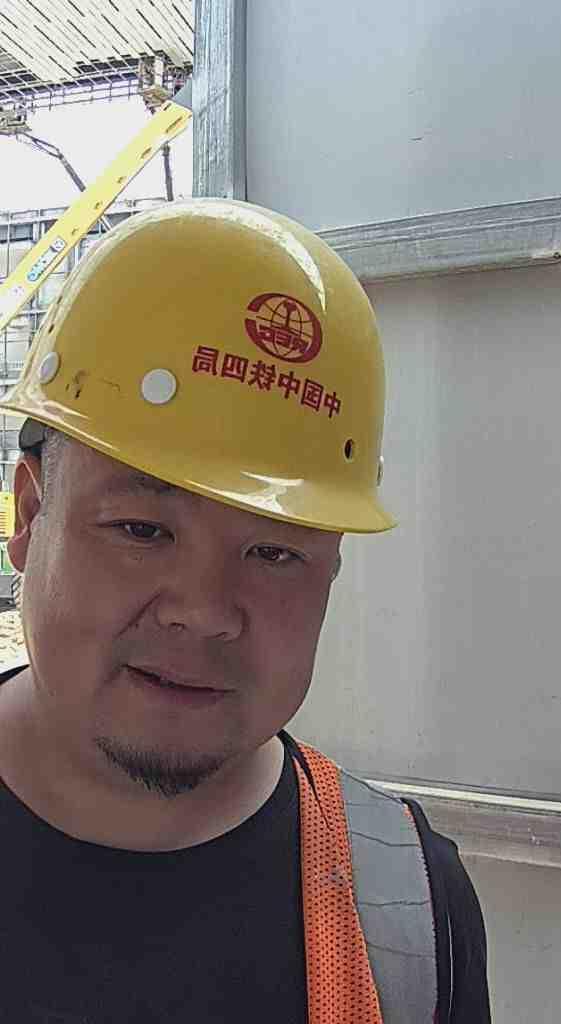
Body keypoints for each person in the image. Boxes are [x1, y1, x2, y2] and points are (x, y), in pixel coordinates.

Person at [0, 199, 491, 1023]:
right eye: (142, 529)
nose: (203, 612)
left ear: (331, 569)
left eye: (274, 552)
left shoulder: (404, 914)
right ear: (29, 517)